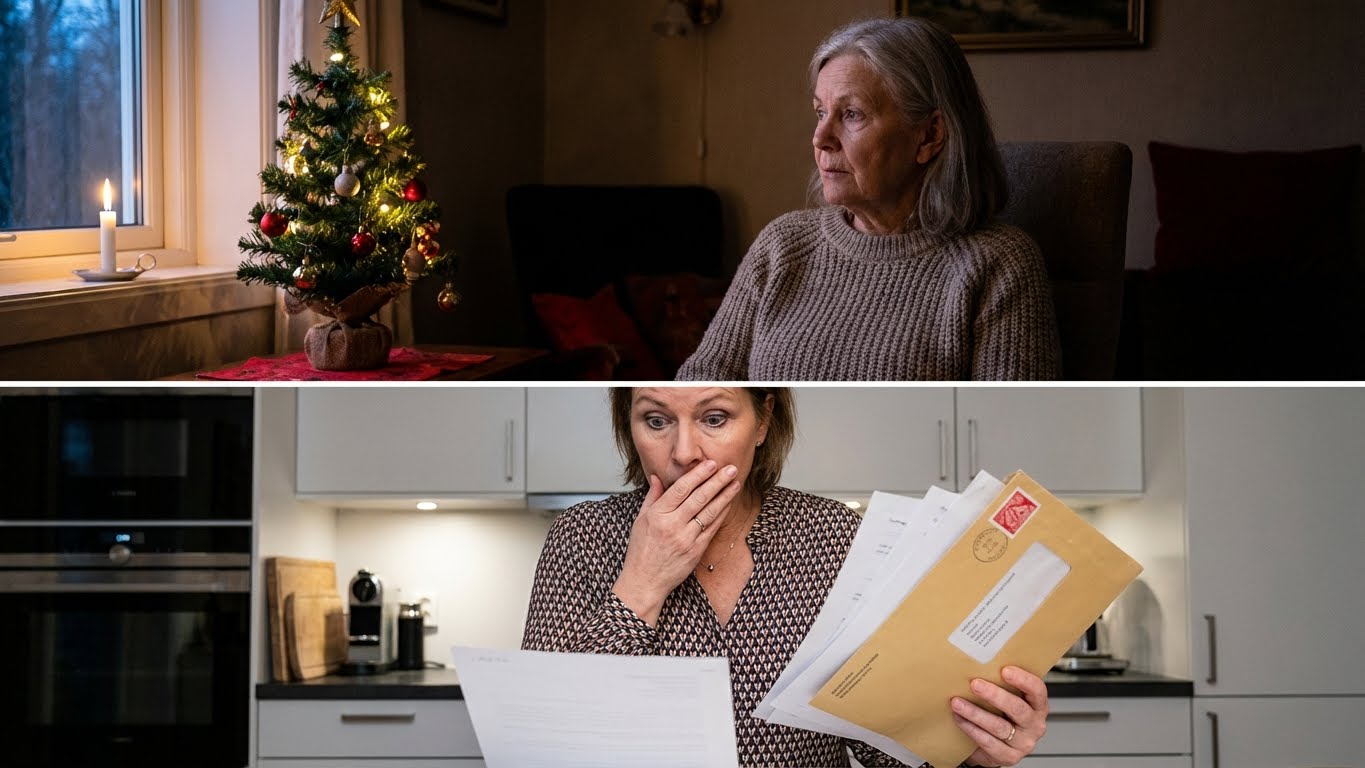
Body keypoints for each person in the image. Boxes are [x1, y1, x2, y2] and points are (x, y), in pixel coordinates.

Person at [521, 387, 1050, 767]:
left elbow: (879, 744)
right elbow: (546, 738)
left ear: (764, 421)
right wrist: (643, 582)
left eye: (715, 418)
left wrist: (969, 752)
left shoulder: (835, 536)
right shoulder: (582, 537)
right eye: (656, 420)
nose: (684, 452)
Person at [676, 18, 1060, 381]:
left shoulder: (996, 264)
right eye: (821, 112)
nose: (820, 137)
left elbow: (1010, 433)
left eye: (852, 114)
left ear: (929, 136)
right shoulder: (783, 244)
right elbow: (699, 386)